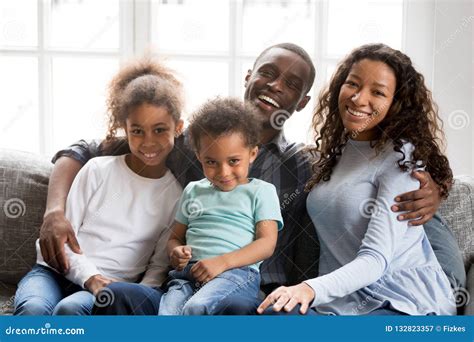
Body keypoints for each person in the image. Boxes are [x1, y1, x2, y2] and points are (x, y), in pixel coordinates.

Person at [39, 43, 463, 315]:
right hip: (187, 279)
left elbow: (407, 222)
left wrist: (436, 194)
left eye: (292, 84)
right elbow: (86, 150)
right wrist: (55, 211)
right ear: (249, 76)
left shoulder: (308, 165)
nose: (275, 86)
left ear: (302, 102)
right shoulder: (188, 141)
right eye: (268, 73)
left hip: (260, 290)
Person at [258, 44, 458, 316]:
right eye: (353, 84)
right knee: (273, 314)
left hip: (401, 300)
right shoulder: (335, 153)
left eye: (378, 92)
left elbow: (376, 258)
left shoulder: (401, 158)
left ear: (396, 103)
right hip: (343, 298)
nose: (359, 99)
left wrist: (307, 288)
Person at [14, 57, 184, 315]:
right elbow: (63, 239)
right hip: (54, 271)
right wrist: (89, 277)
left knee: (71, 310)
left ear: (178, 128)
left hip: (109, 285)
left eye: (160, 130)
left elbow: (158, 266)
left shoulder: (176, 195)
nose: (148, 142)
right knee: (33, 310)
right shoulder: (97, 169)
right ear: (124, 130)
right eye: (137, 131)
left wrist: (131, 297)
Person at [159, 97, 283, 315]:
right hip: (188, 274)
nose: (223, 172)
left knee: (197, 308)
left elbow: (267, 244)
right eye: (211, 162)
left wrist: (222, 262)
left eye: (233, 161)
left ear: (252, 154)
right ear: (199, 157)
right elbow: (174, 238)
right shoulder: (193, 191)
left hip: (235, 273)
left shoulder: (261, 191)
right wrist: (176, 251)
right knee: (168, 314)